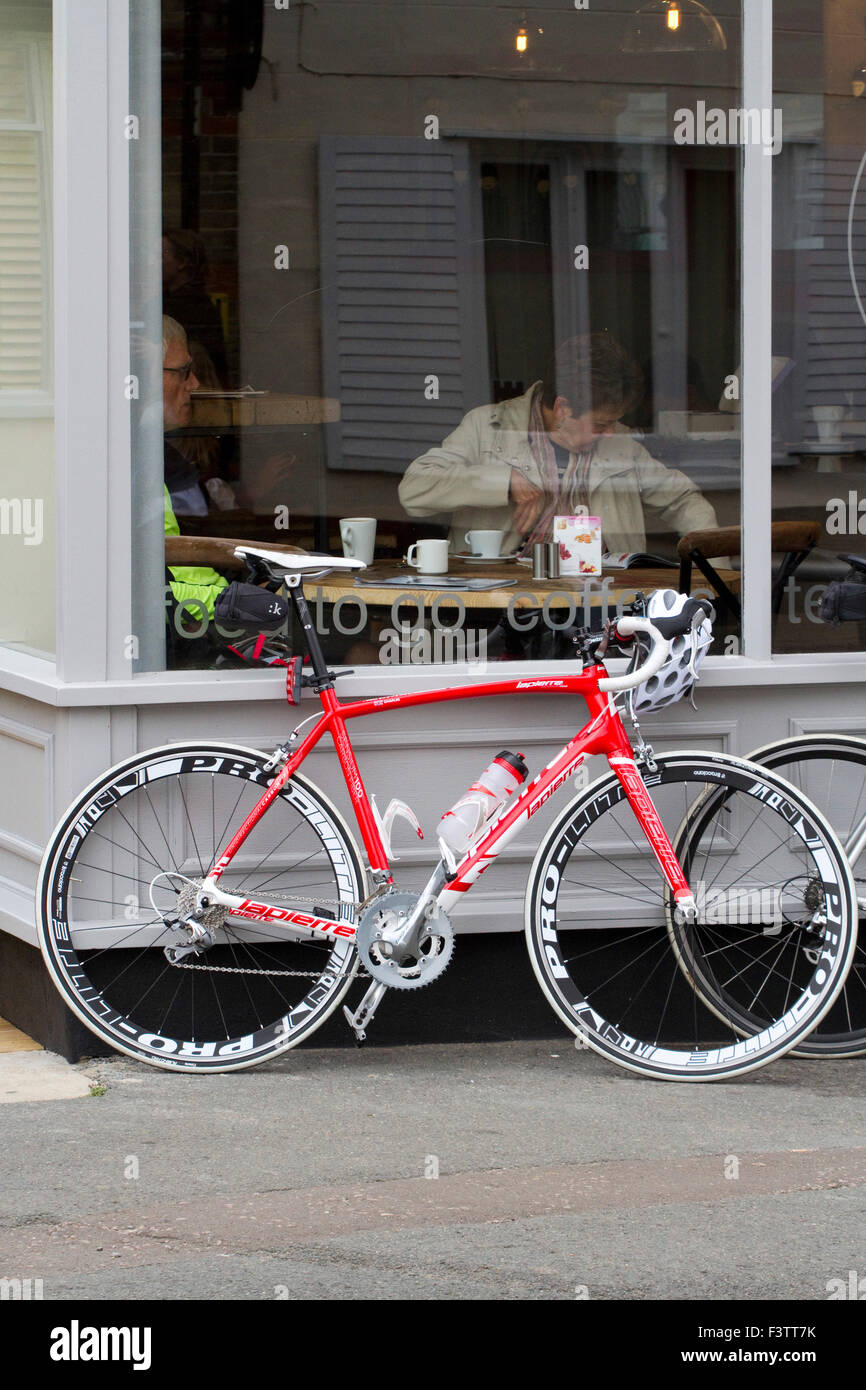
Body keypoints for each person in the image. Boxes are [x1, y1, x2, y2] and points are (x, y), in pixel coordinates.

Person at [398, 333, 718, 556]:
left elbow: (683, 501)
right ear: (563, 409)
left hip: (601, 604)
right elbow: (414, 490)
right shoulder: (487, 426)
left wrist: (714, 576)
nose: (612, 434)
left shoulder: (623, 445)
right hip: (503, 604)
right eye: (601, 424)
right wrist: (504, 481)